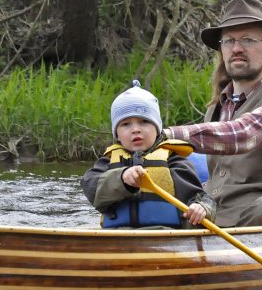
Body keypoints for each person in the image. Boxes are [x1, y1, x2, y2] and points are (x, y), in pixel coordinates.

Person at [161, 0, 262, 227]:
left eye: (248, 40)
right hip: (217, 219)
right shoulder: (217, 107)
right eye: (229, 41)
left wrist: (168, 135)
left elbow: (244, 134)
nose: (237, 48)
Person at [81, 80, 215, 229]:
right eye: (126, 124)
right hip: (118, 237)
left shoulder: (173, 160)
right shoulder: (107, 162)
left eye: (144, 121)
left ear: (157, 129)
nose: (135, 129)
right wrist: (122, 178)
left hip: (165, 237)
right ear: (117, 135)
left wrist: (202, 208)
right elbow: (91, 188)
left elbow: (199, 197)